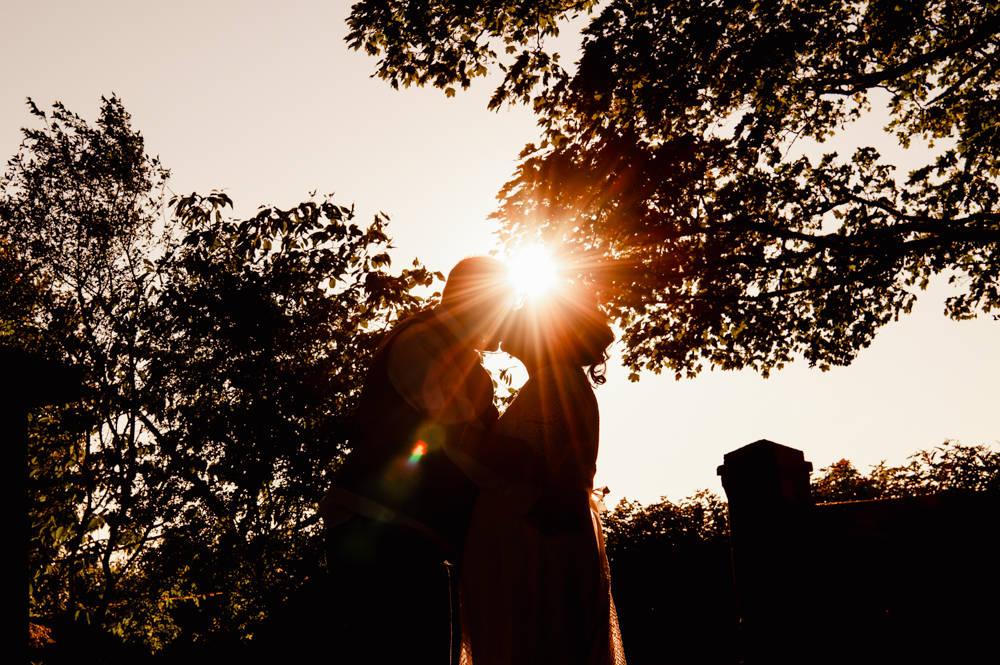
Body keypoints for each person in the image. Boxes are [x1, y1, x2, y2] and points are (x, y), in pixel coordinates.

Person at [319, 256, 515, 663]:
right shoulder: (421, 342)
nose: (513, 317)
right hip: (377, 527)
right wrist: (530, 486)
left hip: (411, 534)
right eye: (508, 304)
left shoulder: (461, 357)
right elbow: (461, 441)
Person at [446, 282, 627, 665]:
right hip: (533, 543)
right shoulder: (550, 383)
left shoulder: (554, 384)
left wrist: (457, 433)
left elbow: (523, 464)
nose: (511, 316)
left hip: (535, 549)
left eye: (523, 312)